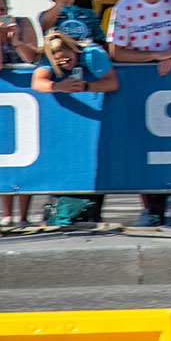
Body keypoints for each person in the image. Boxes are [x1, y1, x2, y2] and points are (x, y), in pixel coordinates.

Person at [107, 0, 171, 226]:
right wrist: (154, 57)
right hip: (138, 88)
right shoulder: (124, 7)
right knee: (145, 148)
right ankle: (149, 210)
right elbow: (116, 52)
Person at [30, 31, 119, 230]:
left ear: (74, 49)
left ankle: (90, 210)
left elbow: (112, 82)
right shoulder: (49, 56)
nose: (64, 64)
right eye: (58, 62)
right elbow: (37, 82)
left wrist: (86, 86)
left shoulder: (92, 53)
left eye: (67, 58)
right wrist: (58, 86)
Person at [0, 0, 40, 227]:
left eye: (3, 9)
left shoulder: (22, 23)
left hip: (28, 97)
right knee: (5, 156)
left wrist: (16, 38)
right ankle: (6, 214)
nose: (0, 15)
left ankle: (25, 215)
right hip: (1, 98)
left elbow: (32, 58)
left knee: (29, 154)